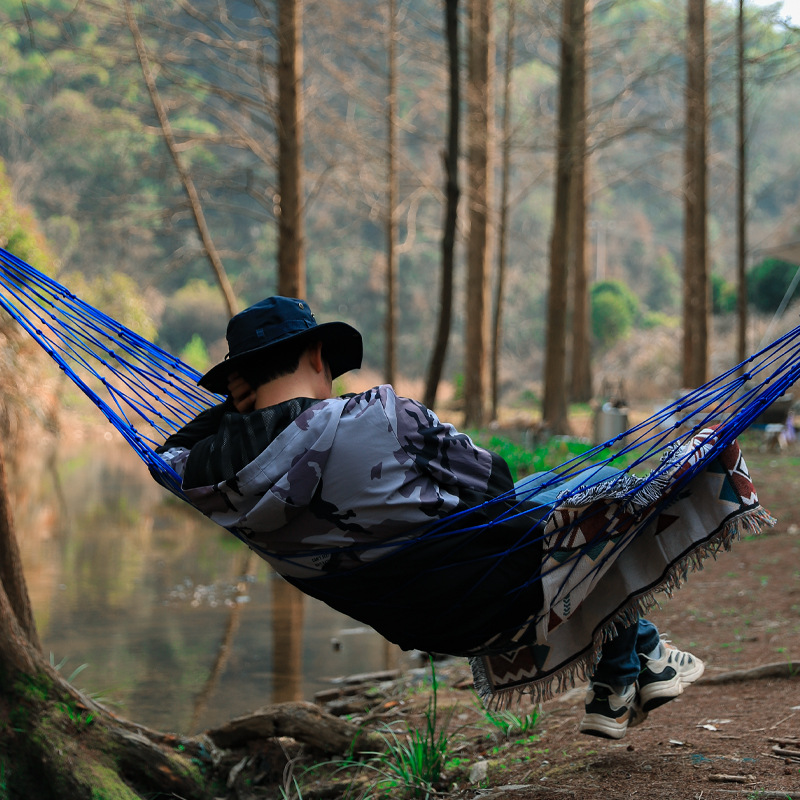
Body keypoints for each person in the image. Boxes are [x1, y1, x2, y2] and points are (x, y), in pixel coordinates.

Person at [155, 295, 705, 740]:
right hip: (505, 587)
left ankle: (638, 661)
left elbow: (167, 456)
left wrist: (238, 410)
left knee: (549, 500)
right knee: (588, 493)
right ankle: (631, 664)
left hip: (428, 622)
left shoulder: (212, 482)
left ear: (238, 387)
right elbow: (497, 485)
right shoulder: (382, 416)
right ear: (318, 356)